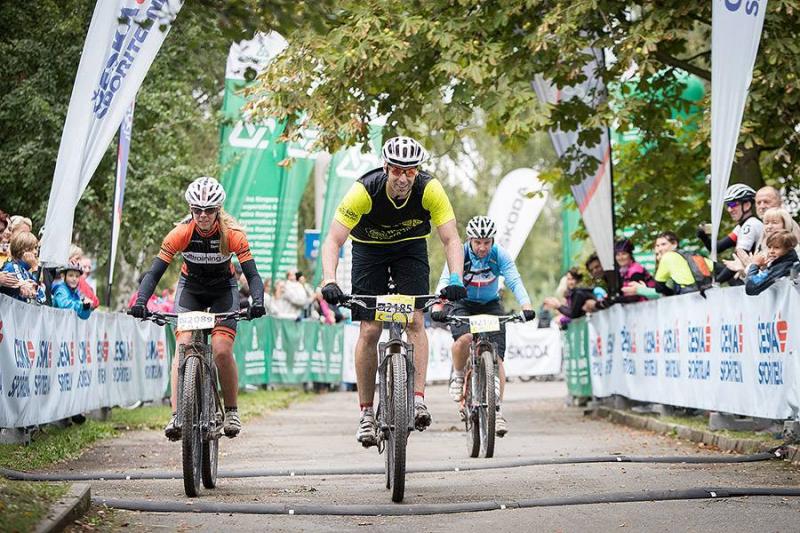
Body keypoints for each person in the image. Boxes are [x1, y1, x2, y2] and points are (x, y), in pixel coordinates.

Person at [319, 135, 467, 447]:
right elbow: (333, 239)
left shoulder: (431, 189)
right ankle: (366, 413)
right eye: (396, 170)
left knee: (414, 320)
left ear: (418, 171)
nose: (402, 177)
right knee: (370, 329)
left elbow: (451, 238)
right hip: (368, 251)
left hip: (409, 250)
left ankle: (417, 399)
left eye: (409, 171)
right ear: (386, 167)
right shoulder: (364, 190)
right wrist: (328, 280)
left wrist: (455, 277)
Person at [130, 177, 266, 440]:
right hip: (190, 289)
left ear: (218, 210)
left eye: (209, 210)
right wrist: (140, 302)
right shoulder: (180, 233)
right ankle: (177, 416)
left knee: (221, 350)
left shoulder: (233, 235)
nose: (203, 215)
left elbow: (253, 275)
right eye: (197, 209)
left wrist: (258, 302)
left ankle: (232, 410)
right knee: (182, 347)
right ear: (191, 209)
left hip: (223, 290)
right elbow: (154, 273)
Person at [433, 216, 535, 437]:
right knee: (465, 339)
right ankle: (459, 374)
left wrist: (526, 306)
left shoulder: (499, 255)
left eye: (486, 242)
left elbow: (514, 280)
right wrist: (437, 306)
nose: (482, 247)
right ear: (470, 239)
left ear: (492, 241)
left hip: (490, 304)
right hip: (463, 303)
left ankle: (496, 410)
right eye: (477, 242)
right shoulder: (460, 253)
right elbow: (444, 281)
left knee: (496, 357)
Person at [624, 231, 714, 299]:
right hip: (707, 297)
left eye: (663, 244)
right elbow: (719, 268)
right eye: (657, 245)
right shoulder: (693, 255)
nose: (659, 249)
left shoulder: (668, 257)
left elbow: (660, 290)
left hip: (688, 302)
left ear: (674, 244)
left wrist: (641, 290)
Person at [745, 230, 800, 295]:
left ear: (789, 249)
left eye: (777, 247)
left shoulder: (783, 266)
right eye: (769, 247)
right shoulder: (787, 264)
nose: (771, 251)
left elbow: (751, 288)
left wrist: (755, 265)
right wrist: (763, 269)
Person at [0, 231, 45, 304]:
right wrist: (35, 268)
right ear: (23, 250)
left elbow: (42, 297)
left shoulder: (25, 272)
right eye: (33, 248)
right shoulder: (12, 267)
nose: (36, 252)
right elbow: (32, 293)